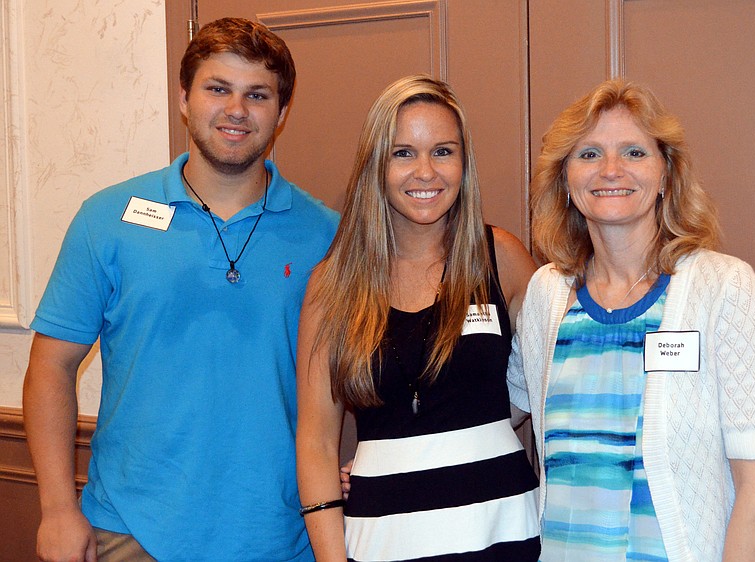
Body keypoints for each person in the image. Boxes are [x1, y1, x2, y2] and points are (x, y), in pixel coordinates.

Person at [23, 17, 338, 562]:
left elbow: (363, 369)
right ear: (184, 100)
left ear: (281, 113)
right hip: (131, 535)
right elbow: (51, 366)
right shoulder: (108, 220)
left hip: (282, 540)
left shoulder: (326, 235)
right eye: (218, 88)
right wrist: (55, 508)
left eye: (257, 95)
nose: (236, 110)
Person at [508, 79, 755, 562]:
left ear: (666, 175)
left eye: (635, 152)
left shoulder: (723, 289)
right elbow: (499, 413)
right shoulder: (546, 295)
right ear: (565, 178)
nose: (611, 170)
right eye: (589, 154)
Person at [295, 74, 540, 561]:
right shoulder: (333, 283)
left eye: (443, 151)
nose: (425, 172)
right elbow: (317, 442)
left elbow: (546, 386)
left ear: (464, 163)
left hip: (505, 534)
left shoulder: (503, 258)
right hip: (382, 542)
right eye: (402, 153)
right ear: (375, 165)